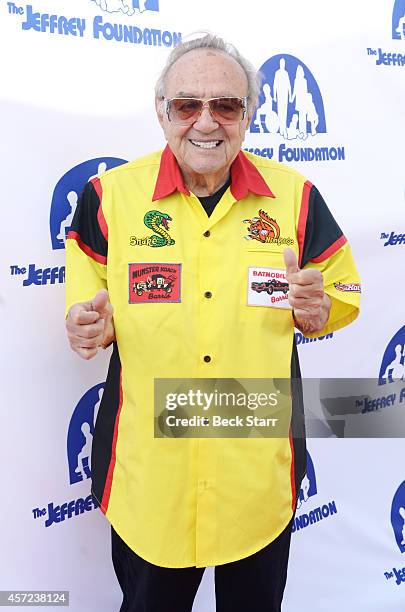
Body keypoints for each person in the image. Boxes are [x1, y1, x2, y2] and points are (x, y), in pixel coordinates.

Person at [65, 33, 361, 612]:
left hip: (257, 479)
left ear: (248, 114)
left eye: (226, 105)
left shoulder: (295, 199)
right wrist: (86, 326)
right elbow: (87, 309)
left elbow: (342, 291)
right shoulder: (108, 198)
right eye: (187, 105)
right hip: (150, 484)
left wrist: (321, 309)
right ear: (162, 112)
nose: (207, 122)